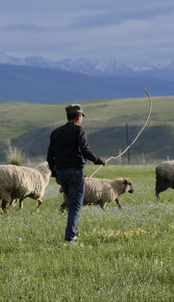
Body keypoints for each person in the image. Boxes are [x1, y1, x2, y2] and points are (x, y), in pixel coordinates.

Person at [47, 103, 108, 243]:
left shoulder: (55, 133)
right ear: (79, 117)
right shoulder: (79, 131)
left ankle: (73, 230)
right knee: (75, 205)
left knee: (72, 203)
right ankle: (70, 237)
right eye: (81, 117)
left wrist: (55, 174)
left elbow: (50, 157)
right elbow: (85, 151)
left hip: (61, 173)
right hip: (75, 172)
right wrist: (99, 161)